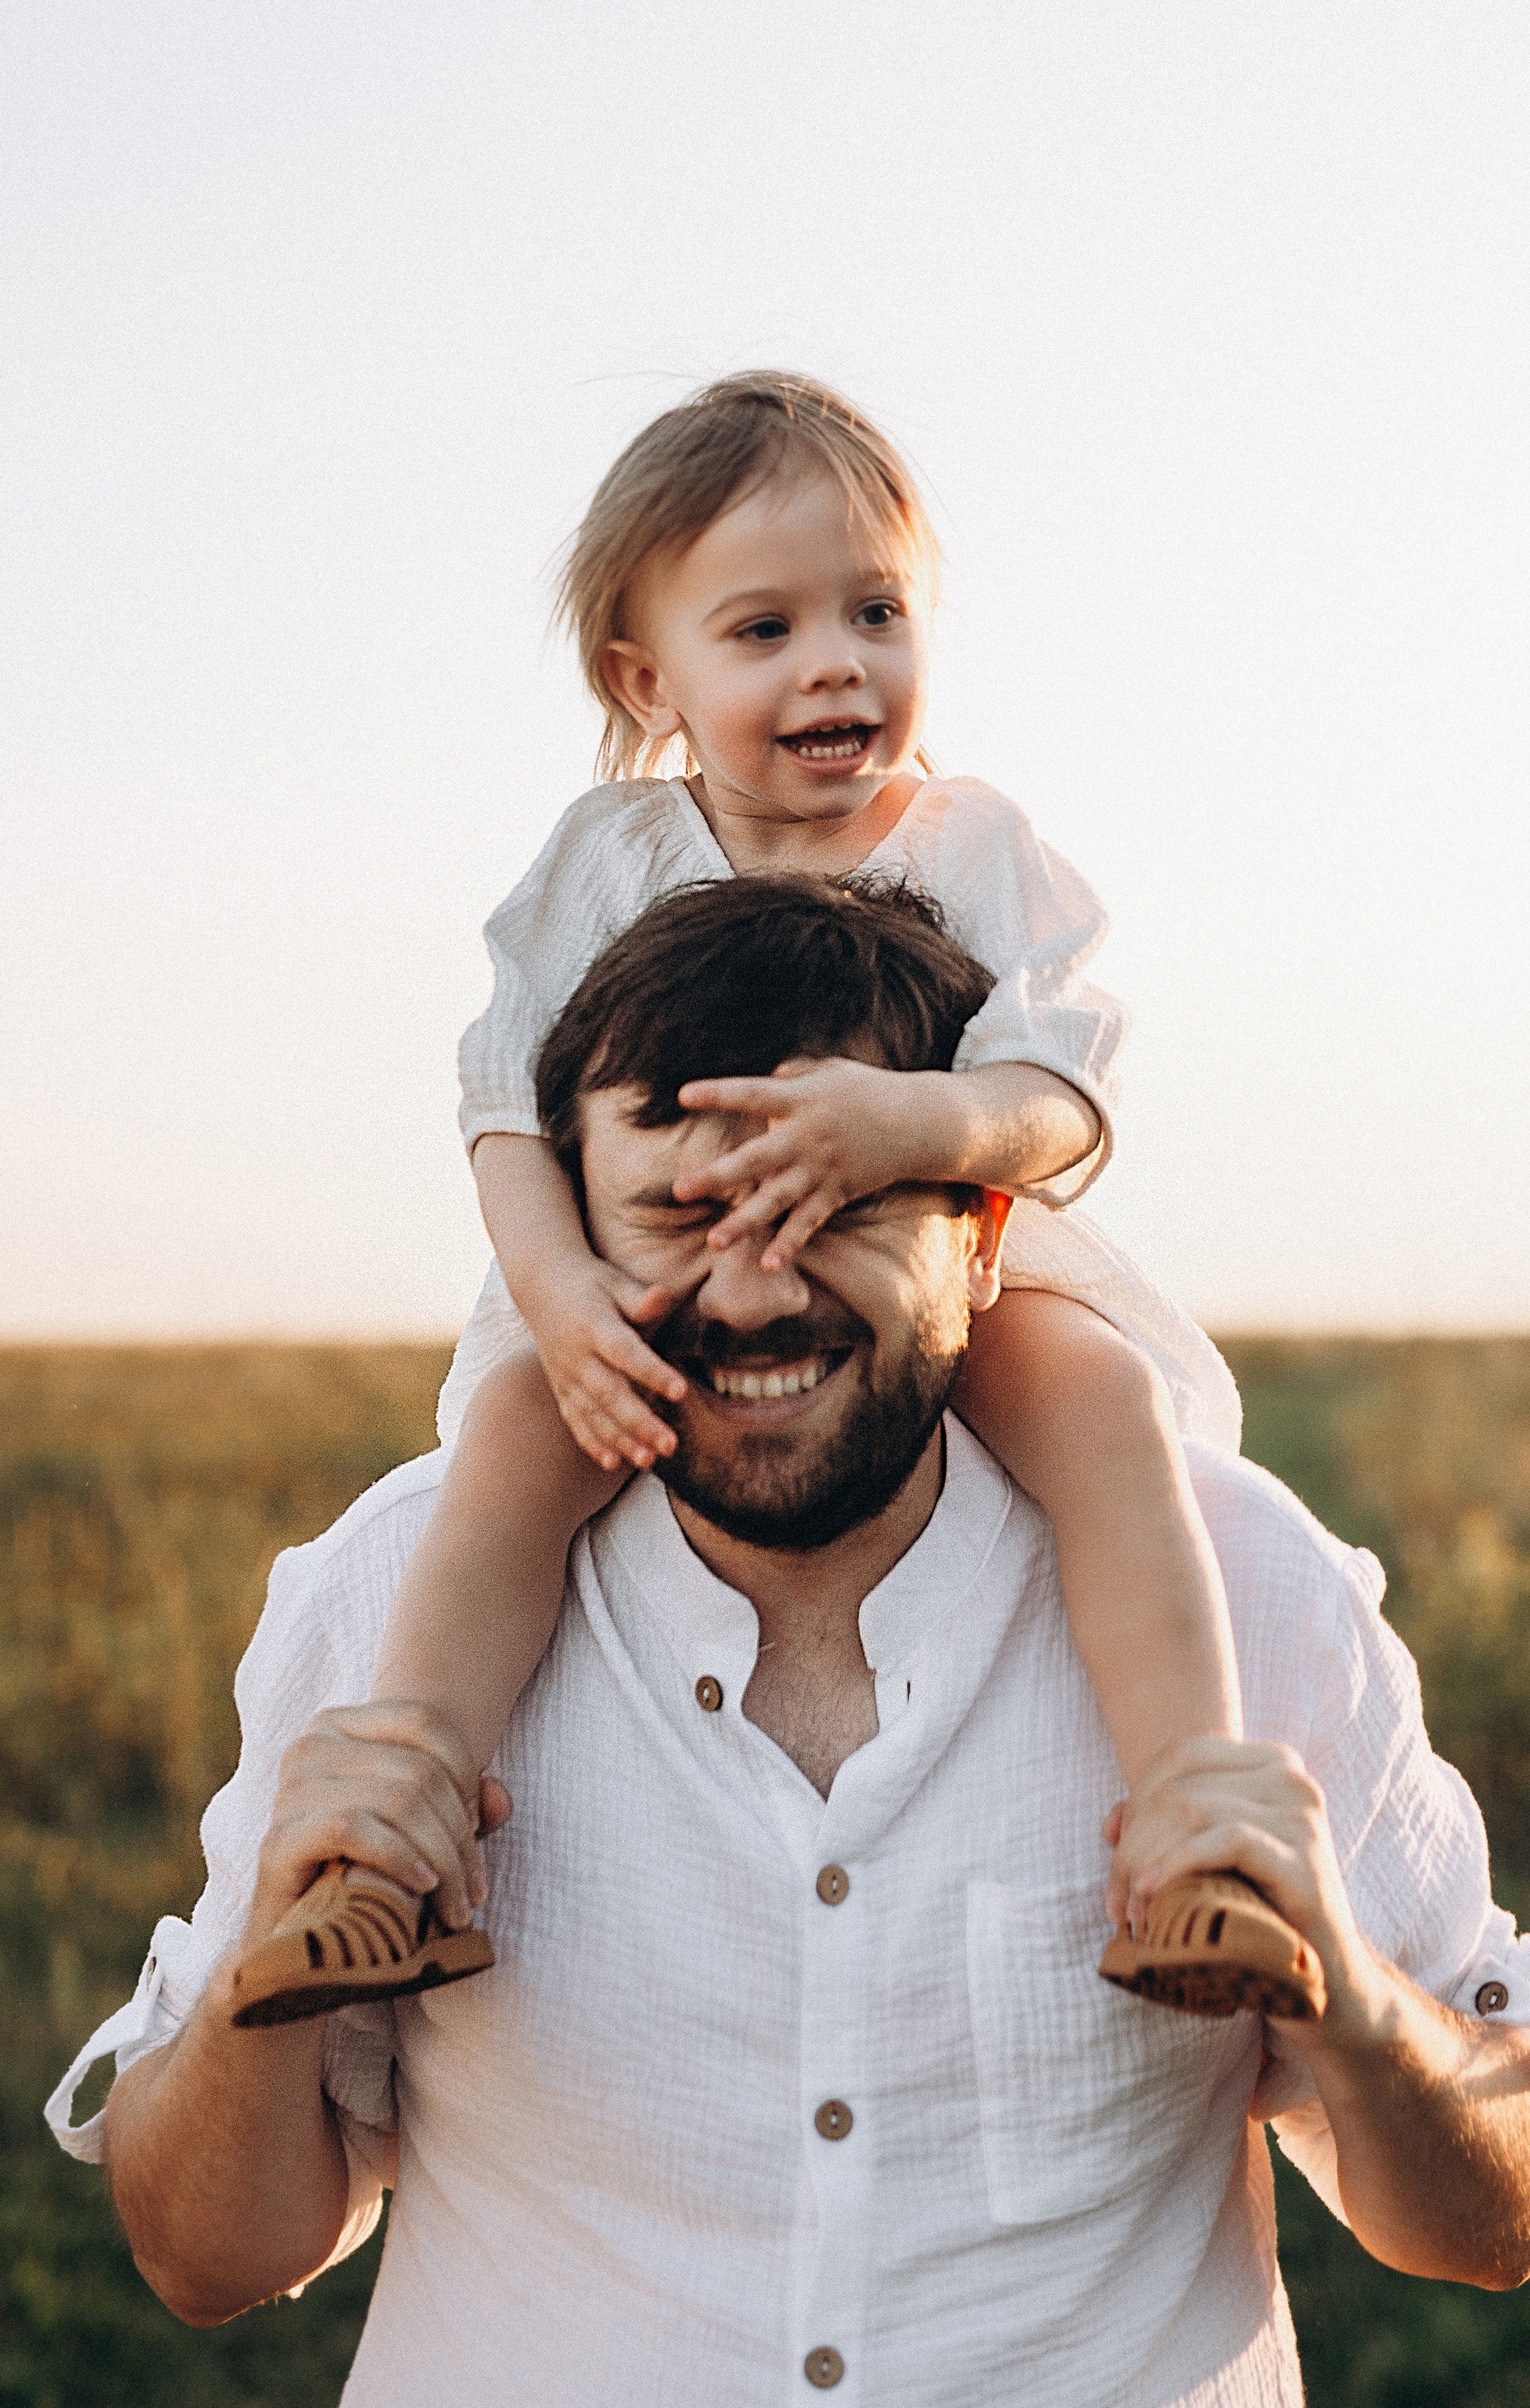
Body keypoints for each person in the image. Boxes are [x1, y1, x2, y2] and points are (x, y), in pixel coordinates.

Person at [50, 876, 1530, 2406]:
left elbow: (1495, 2225)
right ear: (564, 1247)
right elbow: (206, 2262)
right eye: (676, 1214)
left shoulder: (1245, 1583)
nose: (751, 1288)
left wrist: (1348, 1990)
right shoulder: (391, 1594)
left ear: (985, 1237)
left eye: (837, 1208)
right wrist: (271, 1969)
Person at [230, 367, 1316, 2029]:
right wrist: (560, 1294)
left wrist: (911, 1124)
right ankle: (400, 1833)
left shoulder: (973, 846)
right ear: (643, 674)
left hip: (942, 1266)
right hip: (637, 1269)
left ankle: (1193, 1829)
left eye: (876, 612)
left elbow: (1056, 1099)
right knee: (525, 1434)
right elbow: (501, 1112)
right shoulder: (606, 861)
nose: (835, 661)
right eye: (764, 630)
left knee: (1096, 1399)